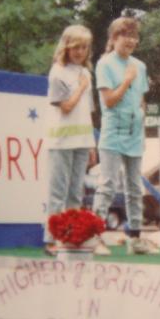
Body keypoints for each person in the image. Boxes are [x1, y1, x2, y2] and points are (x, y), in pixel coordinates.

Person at [93, 16, 157, 254]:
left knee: (134, 187)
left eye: (134, 36)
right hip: (112, 131)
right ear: (114, 38)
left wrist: (142, 124)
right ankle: (95, 235)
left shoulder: (139, 66)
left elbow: (141, 98)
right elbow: (108, 101)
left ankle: (135, 238)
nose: (131, 40)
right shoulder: (105, 64)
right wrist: (126, 80)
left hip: (134, 133)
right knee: (107, 184)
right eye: (125, 35)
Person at [43, 24, 100, 255]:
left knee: (76, 191)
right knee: (57, 191)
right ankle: (50, 239)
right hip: (61, 140)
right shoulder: (58, 72)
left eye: (84, 47)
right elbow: (66, 106)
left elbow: (87, 111)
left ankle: (71, 236)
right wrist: (80, 88)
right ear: (66, 47)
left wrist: (91, 144)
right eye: (76, 47)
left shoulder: (86, 73)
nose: (80, 52)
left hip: (81, 139)